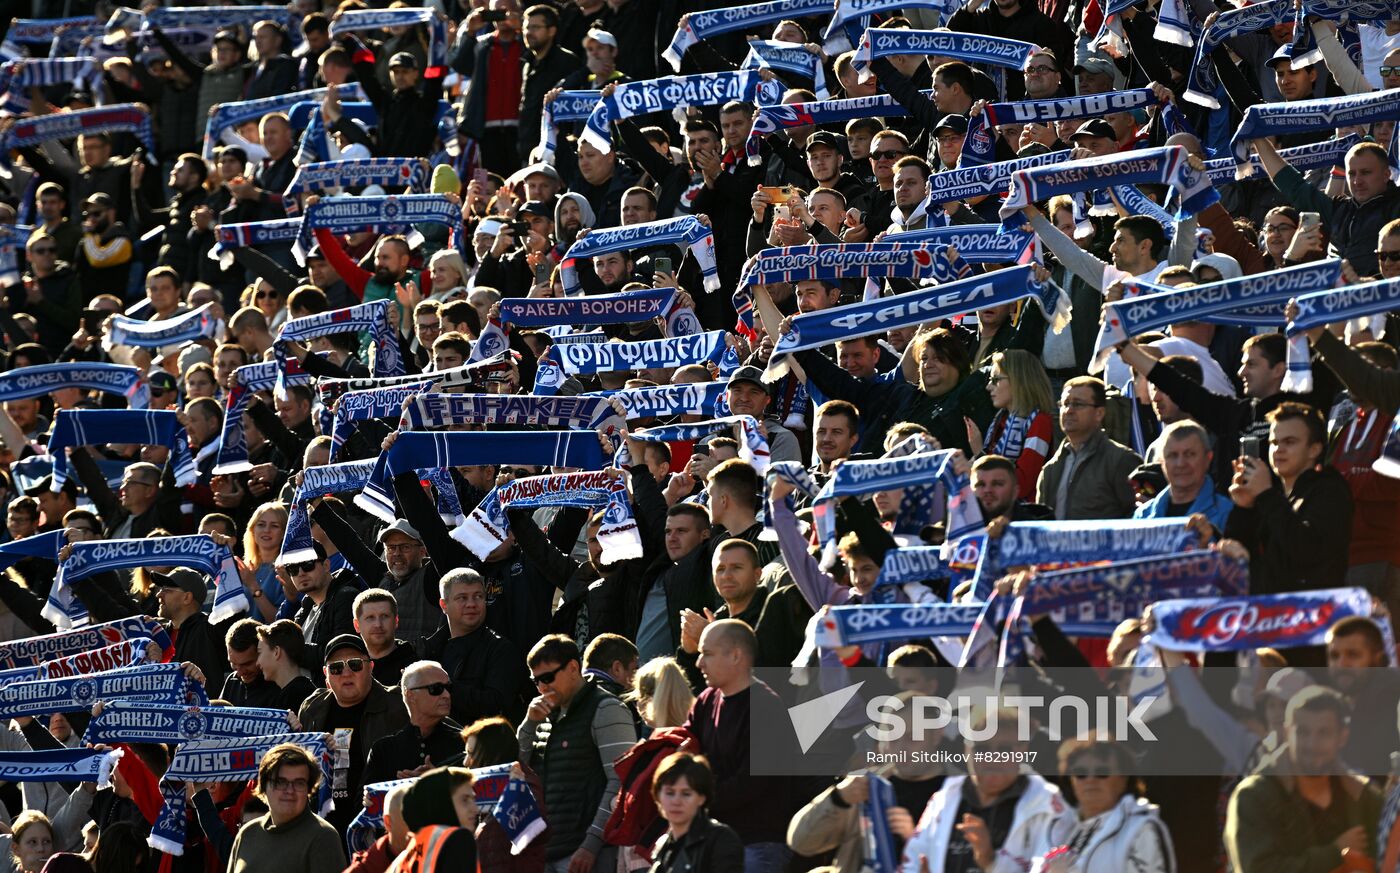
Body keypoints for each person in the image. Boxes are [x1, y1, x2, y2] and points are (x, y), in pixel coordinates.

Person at [1225, 687, 1381, 873]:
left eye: (1323, 733)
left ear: (1342, 737)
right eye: (1302, 732)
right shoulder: (1254, 797)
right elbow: (1258, 868)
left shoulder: (1364, 797)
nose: (1312, 744)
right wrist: (1334, 853)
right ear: (1287, 732)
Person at [518, 635, 636, 873]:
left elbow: (623, 780)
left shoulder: (607, 708)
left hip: (590, 853)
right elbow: (519, 772)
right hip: (549, 850)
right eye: (536, 681)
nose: (542, 687)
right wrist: (528, 725)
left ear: (573, 668)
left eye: (548, 677)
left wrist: (591, 844)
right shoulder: (543, 715)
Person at [683, 620, 792, 871]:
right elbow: (686, 744)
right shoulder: (706, 700)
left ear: (735, 656)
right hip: (713, 836)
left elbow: (751, 783)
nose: (699, 663)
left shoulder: (767, 708)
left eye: (707, 654)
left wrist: (697, 798)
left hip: (758, 842)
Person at [1225, 402, 1354, 592]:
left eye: (1289, 442)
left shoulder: (1331, 490)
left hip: (1316, 612)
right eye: (1274, 443)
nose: (1278, 449)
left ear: (1314, 450)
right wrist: (1243, 508)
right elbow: (1238, 561)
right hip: (1271, 613)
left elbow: (1307, 551)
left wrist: (1265, 494)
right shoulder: (1273, 495)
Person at [296, 634, 409, 833]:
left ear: (371, 667)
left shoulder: (398, 705)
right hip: (324, 826)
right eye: (337, 668)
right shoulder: (311, 708)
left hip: (378, 823)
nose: (346, 673)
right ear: (326, 675)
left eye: (355, 664)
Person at [1030, 738, 1174, 872]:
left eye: (1102, 772)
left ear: (1124, 778)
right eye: (1081, 774)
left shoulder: (1141, 828)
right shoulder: (1057, 828)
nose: (1090, 780)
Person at [227, 743, 345, 873]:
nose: (290, 790)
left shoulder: (323, 838)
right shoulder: (247, 833)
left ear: (309, 789)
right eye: (280, 782)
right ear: (264, 786)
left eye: (299, 783)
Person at [1037, 377, 1142, 519]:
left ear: (1099, 413)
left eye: (1078, 404)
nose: (1068, 410)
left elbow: (1139, 519)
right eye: (1064, 404)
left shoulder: (1121, 460)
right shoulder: (1050, 469)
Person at [362, 660, 464, 785]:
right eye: (436, 688)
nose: (446, 695)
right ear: (410, 695)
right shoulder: (384, 750)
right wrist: (397, 788)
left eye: (449, 688)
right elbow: (362, 802)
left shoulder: (466, 743)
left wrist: (440, 781)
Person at [976, 350, 1055, 500]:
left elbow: (1023, 484)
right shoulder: (1000, 420)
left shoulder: (1040, 422)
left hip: (1023, 515)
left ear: (1019, 380)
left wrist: (978, 454)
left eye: (995, 379)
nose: (988, 387)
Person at [648, 752, 743, 873]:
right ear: (657, 796)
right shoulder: (663, 845)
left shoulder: (721, 840)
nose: (676, 801)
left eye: (686, 794)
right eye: (669, 793)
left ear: (702, 798)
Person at [1133, 420, 1234, 530]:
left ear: (1208, 458)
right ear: (1162, 462)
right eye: (1172, 455)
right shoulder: (1142, 517)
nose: (1180, 464)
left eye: (1190, 454)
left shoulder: (1229, 514)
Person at [353, 588, 418, 687]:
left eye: (384, 616)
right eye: (370, 617)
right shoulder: (349, 669)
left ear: (396, 621)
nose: (378, 624)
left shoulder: (415, 667)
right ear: (357, 625)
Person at [255, 619, 317, 712]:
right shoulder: (307, 691)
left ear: (276, 652)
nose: (257, 662)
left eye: (259, 652)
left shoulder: (292, 698)